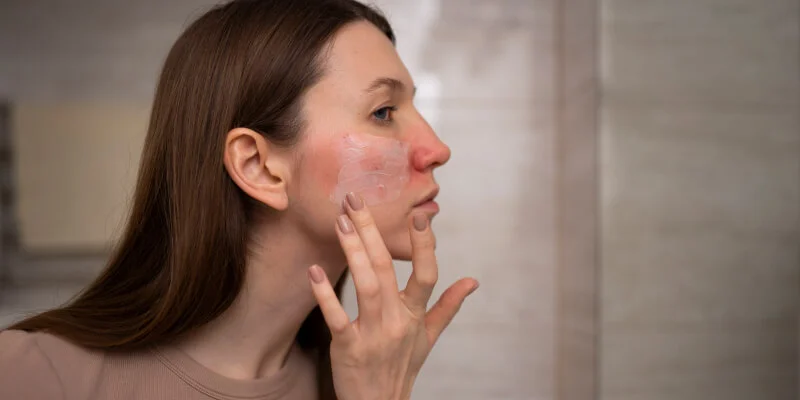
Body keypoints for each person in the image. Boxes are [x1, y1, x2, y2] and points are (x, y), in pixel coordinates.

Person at [0, 0, 479, 399]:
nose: (437, 149)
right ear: (257, 166)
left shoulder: (356, 384)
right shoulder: (35, 376)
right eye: (383, 112)